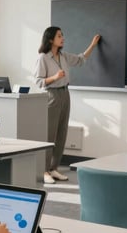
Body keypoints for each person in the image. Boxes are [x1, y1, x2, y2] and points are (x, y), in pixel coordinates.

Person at [34, 26, 100, 184]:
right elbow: (38, 82)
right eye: (59, 36)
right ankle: (44, 171)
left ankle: (53, 168)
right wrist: (55, 77)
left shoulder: (63, 56)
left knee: (61, 133)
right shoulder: (43, 58)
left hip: (65, 93)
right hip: (52, 95)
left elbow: (80, 59)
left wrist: (92, 45)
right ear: (51, 39)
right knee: (49, 135)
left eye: (62, 35)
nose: (62, 38)